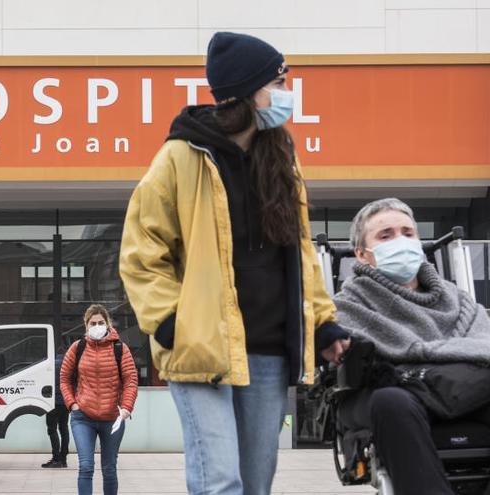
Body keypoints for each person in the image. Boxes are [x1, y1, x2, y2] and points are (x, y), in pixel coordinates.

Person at [118, 31, 347, 495]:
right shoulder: (180, 158)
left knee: (255, 485)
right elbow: (141, 252)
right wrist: (170, 322)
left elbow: (301, 251)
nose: (287, 93)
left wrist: (322, 323)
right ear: (247, 90)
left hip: (266, 350)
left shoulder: (282, 156)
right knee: (220, 481)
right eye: (279, 82)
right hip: (200, 347)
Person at [329, 198, 490, 495]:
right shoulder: (347, 306)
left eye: (407, 233)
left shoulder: (459, 300)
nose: (400, 241)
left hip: (461, 390)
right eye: (385, 235)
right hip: (393, 395)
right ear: (362, 255)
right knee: (391, 400)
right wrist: (449, 355)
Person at [60, 304, 138, 495]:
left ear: (108, 324)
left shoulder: (120, 348)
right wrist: (73, 404)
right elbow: (64, 378)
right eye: (93, 323)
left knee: (109, 469)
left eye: (101, 322)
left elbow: (130, 380)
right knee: (86, 467)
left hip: (112, 419)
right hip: (82, 418)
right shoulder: (77, 348)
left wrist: (127, 407)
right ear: (86, 325)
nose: (97, 326)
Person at [41, 350, 69, 468]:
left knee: (52, 429)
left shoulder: (50, 364)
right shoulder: (68, 364)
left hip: (52, 402)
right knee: (64, 428)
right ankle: (63, 459)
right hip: (66, 401)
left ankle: (56, 458)